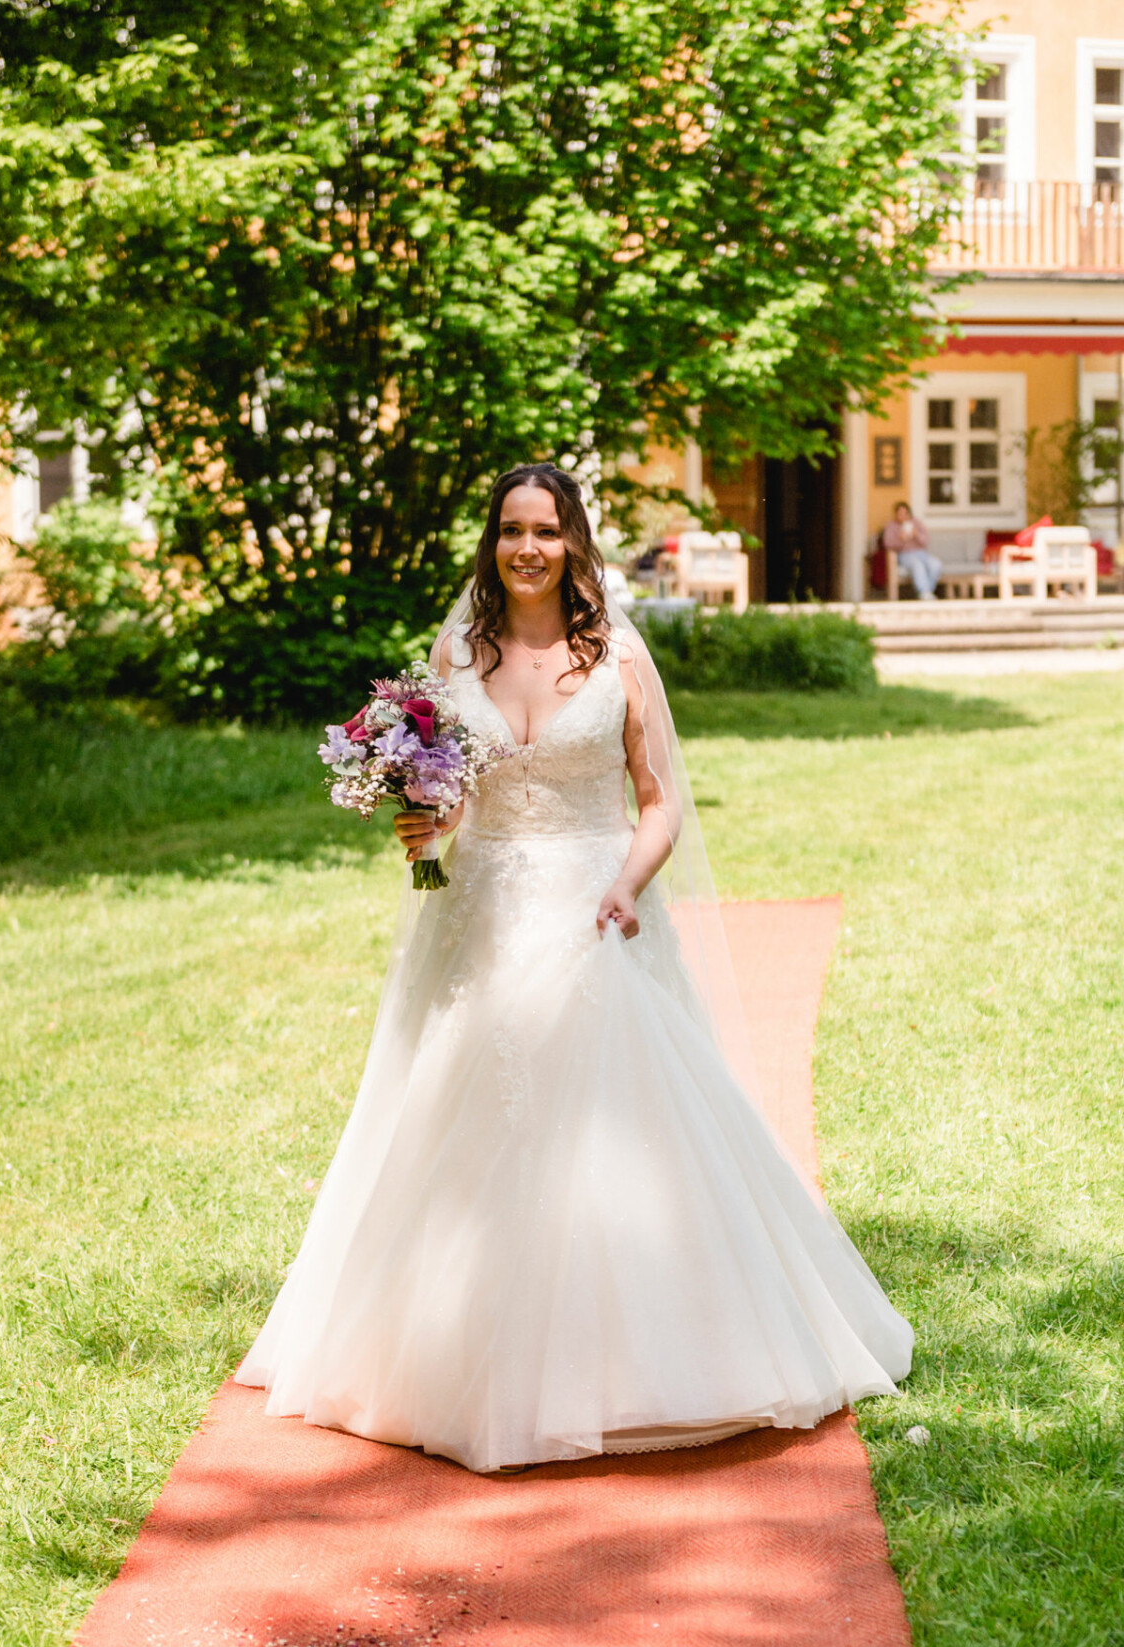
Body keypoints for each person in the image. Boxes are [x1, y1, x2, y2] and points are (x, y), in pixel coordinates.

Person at [237, 463, 912, 1473]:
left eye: (546, 530)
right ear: (492, 541)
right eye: (511, 529)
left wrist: (629, 882)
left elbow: (659, 802)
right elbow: (448, 802)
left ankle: (643, 1358)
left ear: (575, 541)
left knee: (623, 1135)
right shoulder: (456, 652)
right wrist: (423, 829)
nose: (527, 548)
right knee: (464, 1124)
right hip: (482, 920)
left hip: (600, 915)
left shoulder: (618, 655)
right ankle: (451, 1354)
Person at [883, 501, 942, 599]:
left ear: (909, 513)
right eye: (900, 513)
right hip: (905, 554)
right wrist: (900, 539)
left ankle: (925, 593)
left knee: (936, 565)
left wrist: (916, 534)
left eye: (905, 513)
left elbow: (926, 540)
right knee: (917, 565)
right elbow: (887, 543)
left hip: (921, 553)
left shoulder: (916, 523)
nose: (903, 516)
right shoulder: (891, 526)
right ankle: (925, 593)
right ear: (896, 514)